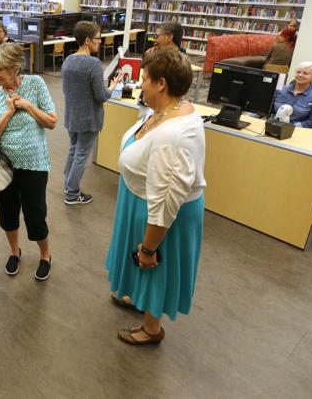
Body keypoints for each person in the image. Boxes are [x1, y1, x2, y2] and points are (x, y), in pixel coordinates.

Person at [105, 48, 206, 346]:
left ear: (161, 83)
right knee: (139, 262)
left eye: (144, 79)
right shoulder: (164, 109)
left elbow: (166, 201)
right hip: (138, 198)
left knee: (151, 264)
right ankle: (137, 298)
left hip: (158, 212)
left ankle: (151, 329)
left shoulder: (172, 136)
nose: (140, 84)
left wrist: (149, 248)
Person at [0, 43, 58, 281]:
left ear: (15, 69)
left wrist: (26, 105)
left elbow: (52, 121)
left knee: (35, 215)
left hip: (34, 164)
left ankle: (45, 255)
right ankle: (15, 251)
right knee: (7, 213)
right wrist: (8, 112)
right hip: (2, 166)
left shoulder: (36, 84)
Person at [61, 20, 121, 205]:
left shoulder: (68, 60)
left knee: (73, 150)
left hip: (72, 116)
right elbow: (101, 96)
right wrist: (112, 86)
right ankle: (72, 193)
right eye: (97, 38)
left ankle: (68, 186)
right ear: (87, 40)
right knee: (81, 155)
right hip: (88, 119)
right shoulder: (93, 64)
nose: (100, 42)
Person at [272, 62, 312, 128]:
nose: (300, 75)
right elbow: (269, 109)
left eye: (305, 73)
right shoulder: (281, 89)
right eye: (298, 72)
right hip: (273, 125)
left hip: (297, 129)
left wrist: (292, 127)